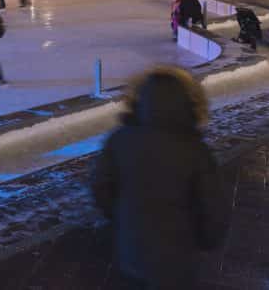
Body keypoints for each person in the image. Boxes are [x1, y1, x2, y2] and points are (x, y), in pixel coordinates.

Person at [92, 66, 228, 288]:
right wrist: (206, 239)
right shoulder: (195, 149)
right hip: (179, 259)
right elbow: (213, 208)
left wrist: (123, 217)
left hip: (132, 252)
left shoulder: (119, 140)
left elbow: (101, 187)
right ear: (190, 103)